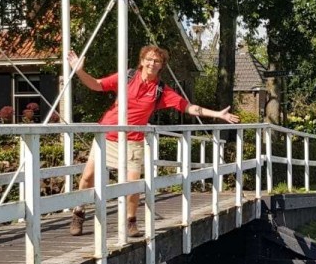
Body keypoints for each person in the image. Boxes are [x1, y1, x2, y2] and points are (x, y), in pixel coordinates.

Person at [69, 45, 240, 238]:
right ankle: (78, 213)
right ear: (142, 61)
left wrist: (217, 114)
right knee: (87, 177)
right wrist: (80, 71)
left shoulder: (160, 90)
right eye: (148, 59)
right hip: (107, 135)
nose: (152, 63)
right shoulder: (127, 78)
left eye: (156, 61)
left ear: (161, 66)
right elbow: (97, 85)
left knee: (133, 184)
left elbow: (187, 107)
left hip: (133, 140)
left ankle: (131, 221)